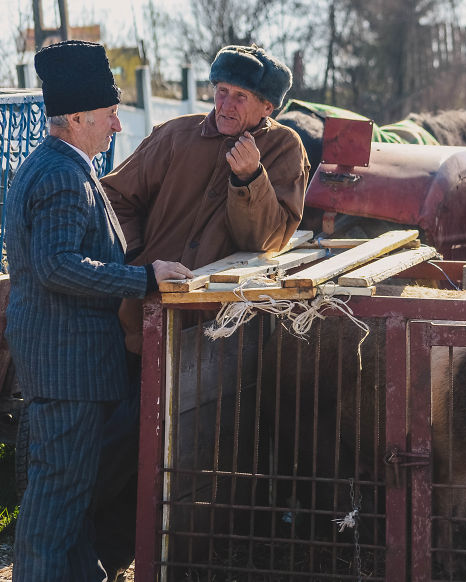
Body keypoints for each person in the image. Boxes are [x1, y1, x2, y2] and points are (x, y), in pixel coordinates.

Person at [96, 44, 309, 580]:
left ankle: (108, 553)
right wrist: (142, 258)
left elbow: (267, 239)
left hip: (212, 331)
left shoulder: (283, 150)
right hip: (139, 319)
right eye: (221, 91)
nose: (226, 104)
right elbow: (112, 199)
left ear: (267, 108)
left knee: (166, 449)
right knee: (125, 439)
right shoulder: (175, 135)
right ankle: (91, 551)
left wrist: (249, 180)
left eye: (241, 96)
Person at [4, 40, 193, 581]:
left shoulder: (57, 165)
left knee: (68, 504)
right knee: (53, 509)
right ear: (79, 116)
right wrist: (143, 279)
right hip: (69, 370)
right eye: (111, 113)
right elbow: (56, 265)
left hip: (68, 366)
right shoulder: (63, 174)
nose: (117, 124)